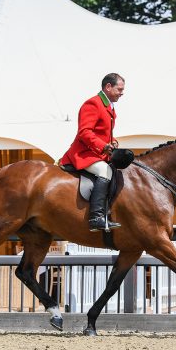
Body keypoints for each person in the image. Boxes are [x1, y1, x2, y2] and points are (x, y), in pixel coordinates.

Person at [60, 73, 125, 232]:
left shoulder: (108, 106)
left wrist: (112, 140)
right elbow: (85, 132)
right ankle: (96, 217)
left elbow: (102, 132)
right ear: (108, 87)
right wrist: (103, 146)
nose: (122, 93)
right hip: (84, 153)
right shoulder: (93, 104)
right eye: (119, 89)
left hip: (97, 152)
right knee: (105, 171)